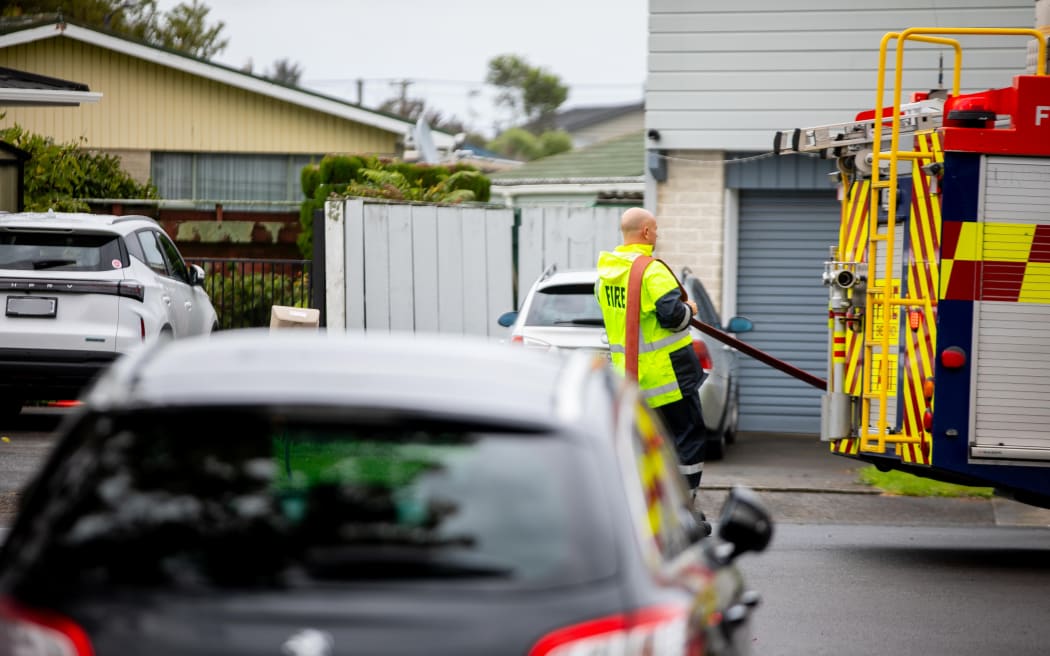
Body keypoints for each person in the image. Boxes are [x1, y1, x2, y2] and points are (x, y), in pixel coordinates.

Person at [595, 207, 709, 531]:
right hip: (668, 377)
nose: (657, 236)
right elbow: (673, 316)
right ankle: (683, 511)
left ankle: (644, 507)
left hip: (629, 377)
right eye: (656, 230)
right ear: (645, 232)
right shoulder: (652, 271)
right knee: (688, 439)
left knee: (644, 444)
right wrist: (691, 309)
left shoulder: (606, 272)